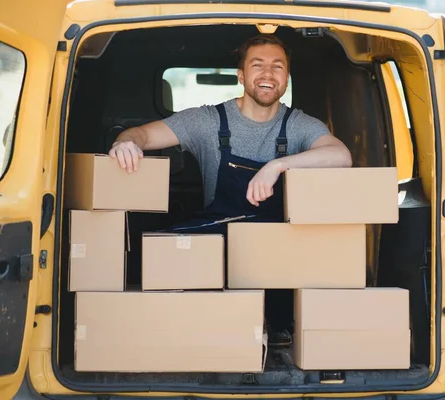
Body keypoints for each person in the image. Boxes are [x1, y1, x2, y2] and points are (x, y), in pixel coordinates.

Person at [108, 34, 352, 346]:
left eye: (278, 67)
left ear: (286, 78)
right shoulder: (207, 120)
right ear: (241, 75)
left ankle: (276, 330)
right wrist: (126, 142)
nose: (268, 74)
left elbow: (341, 156)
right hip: (217, 240)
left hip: (274, 254)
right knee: (163, 249)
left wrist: (276, 166)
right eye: (257, 65)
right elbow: (141, 133)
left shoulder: (298, 124)